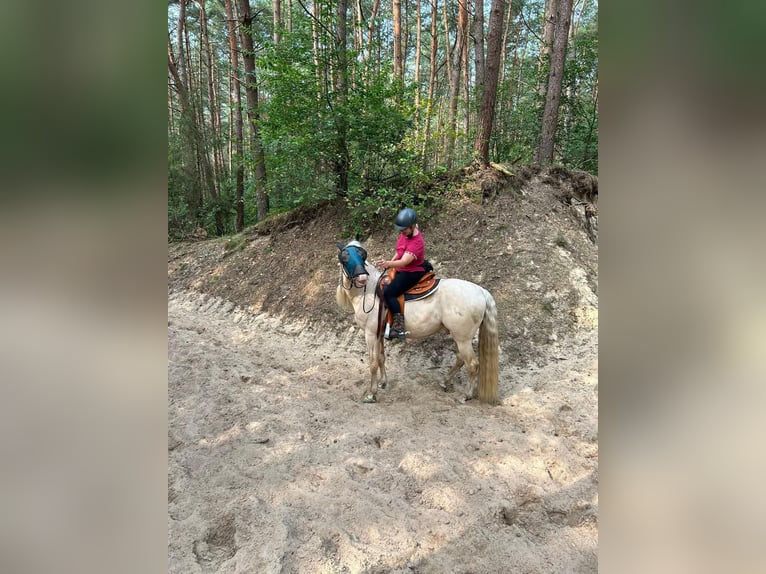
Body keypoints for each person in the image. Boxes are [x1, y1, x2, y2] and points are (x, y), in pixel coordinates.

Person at [375, 208, 427, 339]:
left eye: (404, 230)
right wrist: (390, 262)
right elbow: (400, 252)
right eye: (401, 230)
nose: (402, 232)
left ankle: (398, 327)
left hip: (412, 272)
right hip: (402, 268)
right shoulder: (405, 234)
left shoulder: (417, 243)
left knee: (389, 292)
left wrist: (388, 264)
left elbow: (404, 261)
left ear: (412, 226)